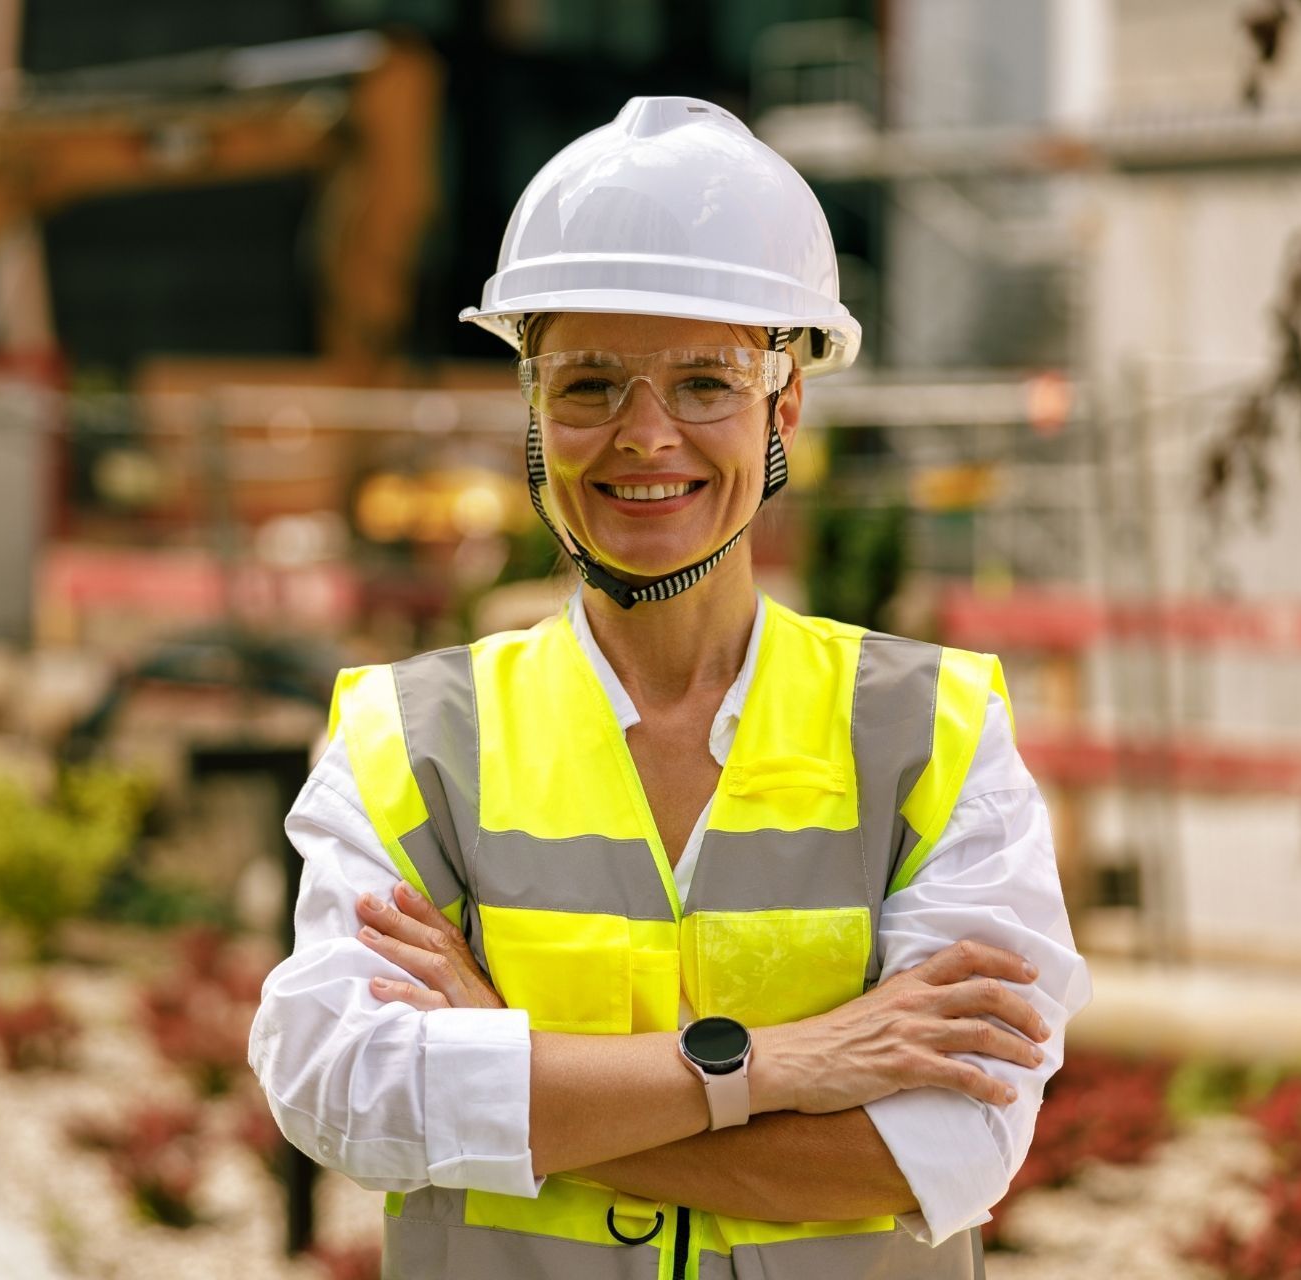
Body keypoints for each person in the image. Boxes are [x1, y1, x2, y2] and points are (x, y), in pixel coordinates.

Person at [249, 96, 1091, 1280]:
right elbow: (341, 1094)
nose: (646, 436)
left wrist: (516, 1082)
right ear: (534, 408)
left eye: (705, 381)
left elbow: (947, 1145)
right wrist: (784, 1064)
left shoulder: (939, 733)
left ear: (785, 399)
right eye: (590, 383)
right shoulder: (406, 738)